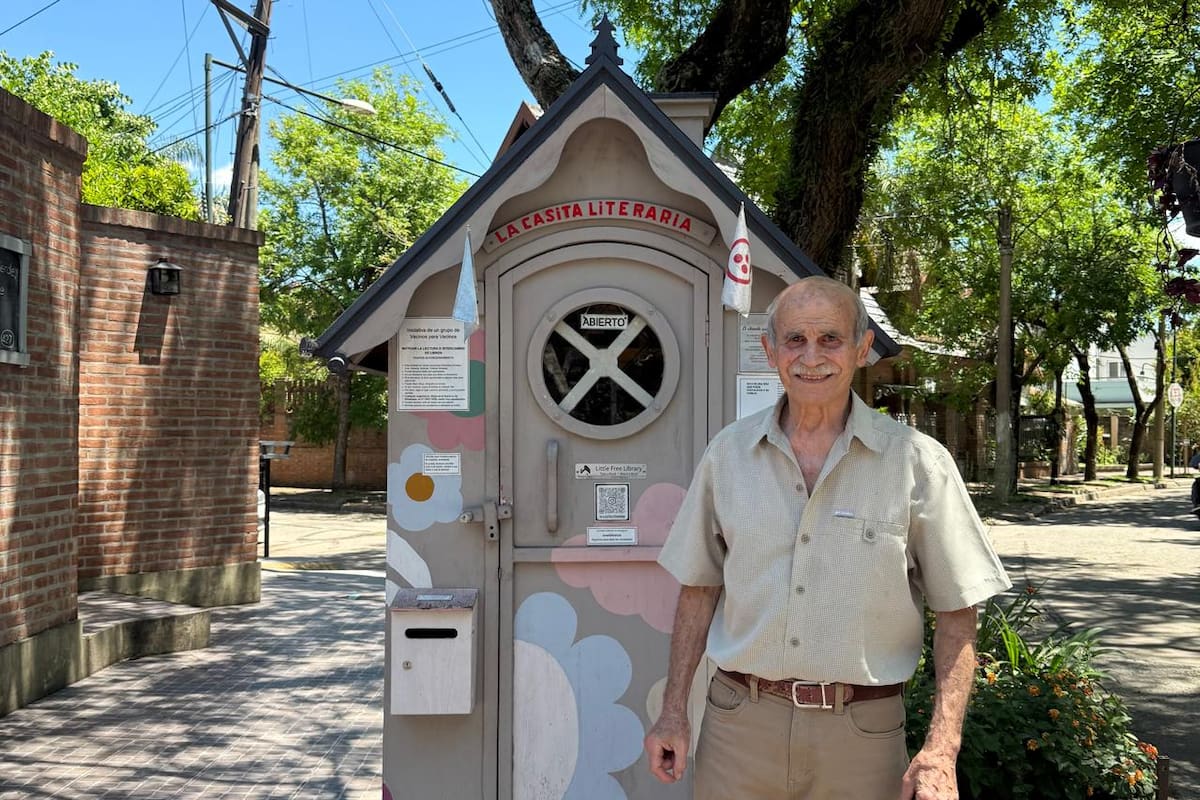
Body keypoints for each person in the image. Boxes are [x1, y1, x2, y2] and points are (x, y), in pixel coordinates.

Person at [645, 276, 1012, 799]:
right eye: (795, 339)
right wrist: (674, 711)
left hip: (861, 735)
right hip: (738, 726)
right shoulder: (727, 456)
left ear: (863, 349)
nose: (810, 357)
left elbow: (958, 611)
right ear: (770, 350)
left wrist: (940, 748)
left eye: (830, 339)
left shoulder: (918, 463)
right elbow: (698, 590)